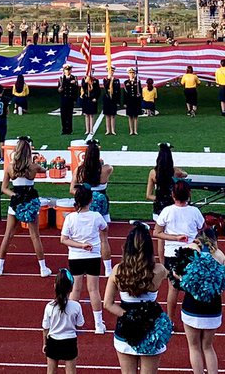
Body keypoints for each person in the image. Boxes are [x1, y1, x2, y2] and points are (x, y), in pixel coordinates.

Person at [103, 222, 172, 372]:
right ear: (149, 248)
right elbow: (179, 278)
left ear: (127, 247)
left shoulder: (117, 270)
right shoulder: (159, 270)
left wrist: (129, 316)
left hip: (126, 329)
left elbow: (108, 304)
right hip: (151, 329)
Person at [0, 136, 52, 277]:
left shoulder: (10, 167)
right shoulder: (34, 167)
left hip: (16, 202)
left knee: (8, 235)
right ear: (29, 151)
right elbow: (44, 170)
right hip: (30, 202)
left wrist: (14, 195)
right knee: (35, 236)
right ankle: (43, 268)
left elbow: (4, 188)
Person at [178, 228, 225, 374]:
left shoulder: (188, 249)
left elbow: (176, 273)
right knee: (208, 347)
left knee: (194, 346)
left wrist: (192, 284)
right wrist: (212, 289)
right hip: (212, 306)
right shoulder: (219, 255)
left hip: (191, 305)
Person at [155, 180, 206, 321]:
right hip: (191, 254)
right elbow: (203, 229)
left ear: (173, 195)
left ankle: (170, 320)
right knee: (193, 286)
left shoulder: (167, 211)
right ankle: (193, 318)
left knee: (173, 289)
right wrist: (183, 237)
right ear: (189, 194)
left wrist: (174, 237)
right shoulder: (195, 211)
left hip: (172, 255)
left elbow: (157, 232)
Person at [60, 184, 108, 334]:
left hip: (76, 257)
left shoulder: (70, 218)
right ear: (91, 200)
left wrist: (80, 246)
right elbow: (105, 227)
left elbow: (64, 239)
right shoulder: (96, 216)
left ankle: (72, 323)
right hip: (93, 255)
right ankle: (98, 325)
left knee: (76, 289)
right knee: (94, 290)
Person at [72, 141, 113, 274]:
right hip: (102, 203)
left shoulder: (80, 170)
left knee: (84, 236)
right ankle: (107, 269)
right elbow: (108, 167)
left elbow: (72, 189)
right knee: (103, 237)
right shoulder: (106, 169)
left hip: (86, 203)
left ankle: (84, 265)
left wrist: (86, 193)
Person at [43, 268, 86, 374]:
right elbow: (80, 324)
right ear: (71, 289)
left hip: (53, 342)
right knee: (71, 371)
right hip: (69, 342)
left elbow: (45, 328)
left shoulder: (49, 307)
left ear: (55, 287)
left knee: (51, 371)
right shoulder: (76, 306)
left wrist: (45, 344)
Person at [146, 143, 188, 235]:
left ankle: (161, 250)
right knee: (175, 233)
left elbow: (148, 195)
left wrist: (160, 199)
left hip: (159, 206)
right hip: (173, 206)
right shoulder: (175, 172)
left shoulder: (153, 173)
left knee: (160, 234)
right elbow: (185, 174)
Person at [57, 65, 78, 136]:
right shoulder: (61, 78)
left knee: (69, 115)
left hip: (70, 99)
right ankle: (64, 129)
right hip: (64, 99)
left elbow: (75, 90)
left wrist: (75, 99)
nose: (68, 71)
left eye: (69, 70)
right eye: (66, 70)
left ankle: (69, 129)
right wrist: (60, 90)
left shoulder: (74, 78)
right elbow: (59, 88)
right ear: (64, 71)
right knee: (63, 115)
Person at [124, 69, 144, 136]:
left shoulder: (137, 82)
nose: (132, 74)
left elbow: (140, 91)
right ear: (128, 74)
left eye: (133, 73)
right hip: (129, 101)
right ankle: (131, 130)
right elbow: (125, 93)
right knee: (130, 116)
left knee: (135, 116)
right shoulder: (126, 82)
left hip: (136, 101)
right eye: (130, 73)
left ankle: (135, 130)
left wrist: (139, 94)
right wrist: (125, 103)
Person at [101, 72, 121, 136]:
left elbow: (118, 91)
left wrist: (118, 101)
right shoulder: (105, 79)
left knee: (113, 115)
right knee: (107, 115)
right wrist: (109, 80)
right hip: (107, 99)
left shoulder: (116, 80)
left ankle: (113, 130)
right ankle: (108, 130)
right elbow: (106, 86)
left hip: (113, 99)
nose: (111, 73)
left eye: (112, 71)